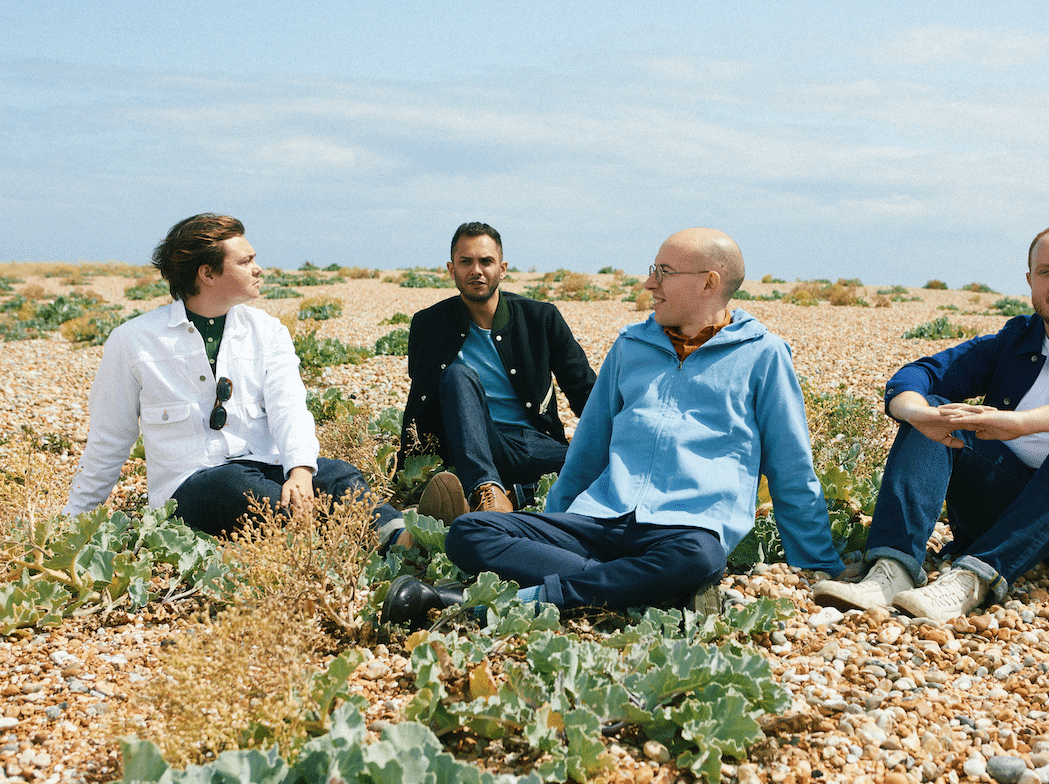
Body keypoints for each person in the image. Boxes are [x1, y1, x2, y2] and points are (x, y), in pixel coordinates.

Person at [383, 227, 844, 627]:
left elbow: (791, 468)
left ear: (709, 282)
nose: (649, 283)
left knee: (700, 558)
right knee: (470, 532)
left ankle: (535, 597)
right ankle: (634, 586)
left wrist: (818, 563)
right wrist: (553, 521)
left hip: (685, 530)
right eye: (652, 270)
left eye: (663, 272)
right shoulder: (631, 347)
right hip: (598, 520)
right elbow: (587, 452)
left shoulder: (763, 356)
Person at [812, 224, 1049, 623]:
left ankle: (971, 579)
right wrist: (918, 414)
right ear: (1030, 281)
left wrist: (1023, 423)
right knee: (940, 411)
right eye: (1046, 272)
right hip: (1006, 514)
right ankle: (892, 570)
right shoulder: (1013, 341)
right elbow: (921, 374)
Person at [63, 213, 406, 548]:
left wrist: (300, 471)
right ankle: (342, 538)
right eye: (246, 261)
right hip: (189, 490)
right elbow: (110, 439)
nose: (259, 269)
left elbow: (289, 408)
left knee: (336, 475)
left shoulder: (268, 331)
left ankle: (399, 538)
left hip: (263, 467)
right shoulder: (133, 341)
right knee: (234, 485)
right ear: (207, 273)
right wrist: (71, 524)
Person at [398, 222, 596, 519]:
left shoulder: (541, 318)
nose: (476, 270)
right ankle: (485, 487)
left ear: (502, 269)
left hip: (533, 445)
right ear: (452, 270)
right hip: (467, 445)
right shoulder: (429, 324)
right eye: (466, 262)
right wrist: (409, 466)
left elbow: (585, 392)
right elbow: (420, 398)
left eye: (486, 261)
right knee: (456, 376)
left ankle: (510, 496)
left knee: (606, 465)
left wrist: (620, 439)